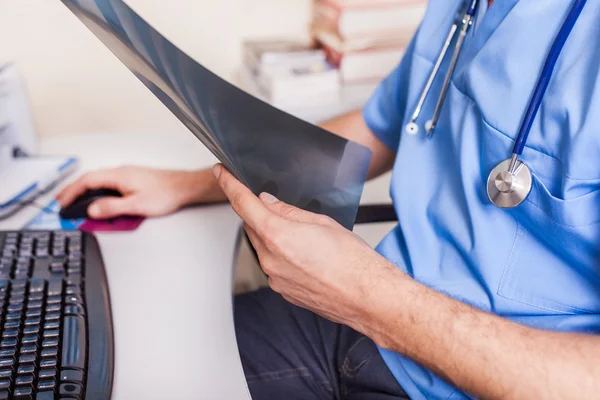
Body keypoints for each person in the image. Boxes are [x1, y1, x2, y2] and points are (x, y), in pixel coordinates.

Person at [57, 0, 600, 398]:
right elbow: (380, 126)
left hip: (454, 369)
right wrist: (186, 184)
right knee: (99, 363)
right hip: (360, 321)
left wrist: (365, 293)